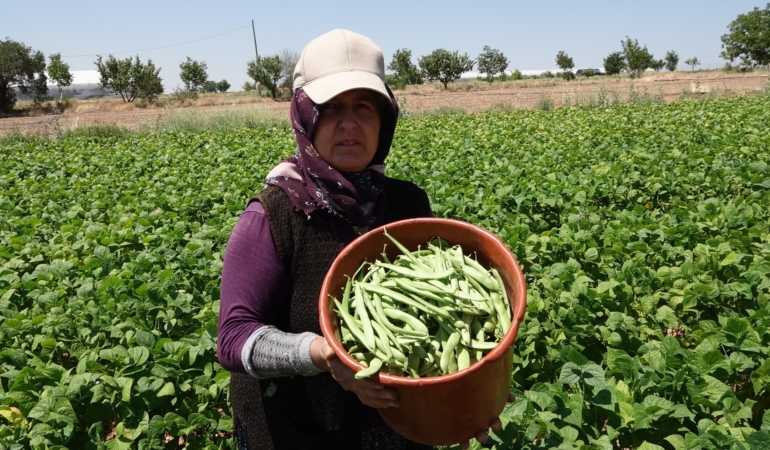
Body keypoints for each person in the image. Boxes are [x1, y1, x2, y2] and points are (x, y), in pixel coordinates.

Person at [217, 29, 506, 450]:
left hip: (396, 429)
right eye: (330, 108)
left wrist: (467, 396)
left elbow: (438, 334)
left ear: (385, 119)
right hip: (295, 433)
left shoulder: (406, 201)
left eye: (364, 107)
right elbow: (233, 339)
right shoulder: (273, 214)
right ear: (305, 116)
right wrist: (322, 354)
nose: (349, 123)